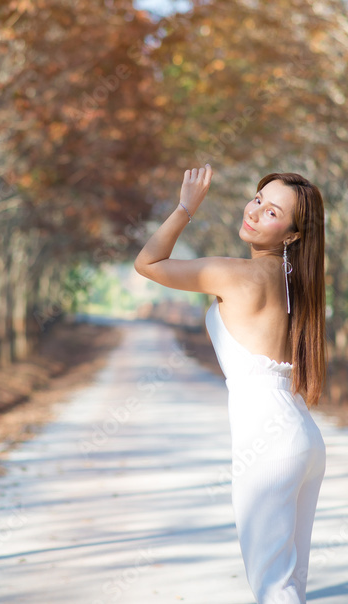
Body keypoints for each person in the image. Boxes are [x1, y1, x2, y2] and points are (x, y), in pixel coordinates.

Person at [134, 163, 328, 604]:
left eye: (273, 212)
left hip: (269, 441)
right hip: (302, 436)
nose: (256, 212)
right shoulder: (295, 285)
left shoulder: (237, 274)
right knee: (289, 585)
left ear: (292, 235)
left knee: (274, 589)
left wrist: (185, 207)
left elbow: (148, 263)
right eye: (259, 199)